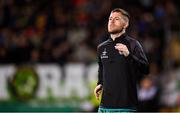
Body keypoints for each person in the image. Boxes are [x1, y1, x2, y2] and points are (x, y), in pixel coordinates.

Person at [94, 8, 149, 112]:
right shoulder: (101, 47)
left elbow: (146, 69)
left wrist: (129, 55)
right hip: (104, 107)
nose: (112, 21)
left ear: (125, 24)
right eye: (110, 19)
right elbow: (102, 68)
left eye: (117, 19)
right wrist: (100, 83)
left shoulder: (133, 45)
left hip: (126, 107)